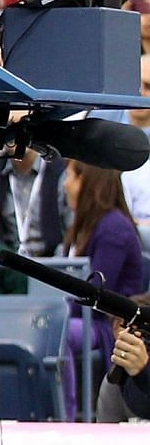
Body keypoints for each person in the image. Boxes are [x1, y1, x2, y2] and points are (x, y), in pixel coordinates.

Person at [60, 162, 145, 417]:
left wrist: (57, 307)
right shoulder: (84, 225)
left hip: (105, 324)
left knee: (58, 332)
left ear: (89, 183)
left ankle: (66, 416)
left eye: (70, 176)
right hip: (79, 317)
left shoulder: (113, 228)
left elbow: (96, 293)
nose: (65, 185)